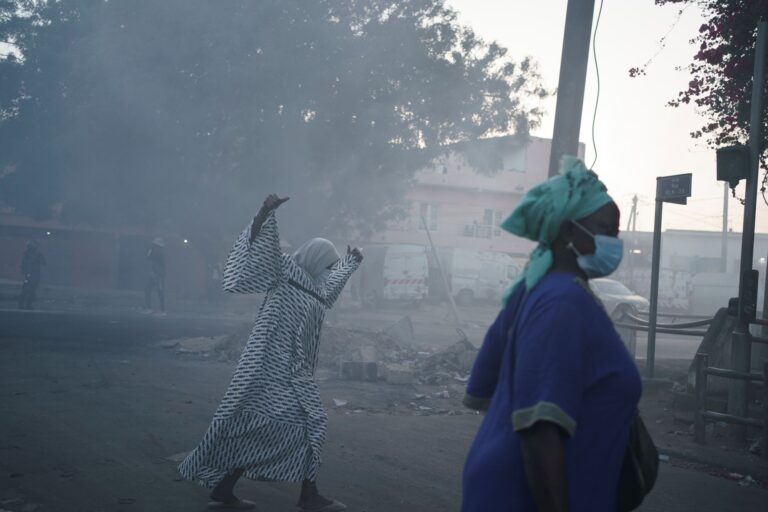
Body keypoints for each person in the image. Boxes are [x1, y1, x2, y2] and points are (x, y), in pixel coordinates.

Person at [461, 156, 642, 512]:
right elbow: (540, 429)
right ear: (569, 231)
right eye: (607, 230)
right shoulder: (561, 303)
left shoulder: (541, 289)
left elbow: (488, 383)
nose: (615, 243)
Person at [179, 194, 363, 511]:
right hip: (267, 366)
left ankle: (287, 492)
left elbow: (333, 282)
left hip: (297, 371)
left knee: (306, 424)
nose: (329, 271)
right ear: (315, 259)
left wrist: (352, 261)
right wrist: (264, 212)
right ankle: (301, 494)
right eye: (328, 265)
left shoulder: (317, 287)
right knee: (261, 425)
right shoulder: (285, 272)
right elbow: (258, 248)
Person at [18, 240, 46, 310]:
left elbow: (44, 262)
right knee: (27, 289)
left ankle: (27, 304)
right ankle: (23, 304)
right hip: (30, 274)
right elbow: (24, 264)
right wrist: (25, 271)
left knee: (31, 290)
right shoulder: (27, 254)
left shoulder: (36, 254)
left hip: (34, 274)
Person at [144, 237, 166, 313]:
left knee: (159, 291)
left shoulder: (157, 252)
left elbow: (149, 260)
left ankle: (161, 310)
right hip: (155, 274)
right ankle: (152, 309)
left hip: (158, 275)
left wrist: (157, 274)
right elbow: (149, 260)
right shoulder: (155, 251)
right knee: (149, 290)